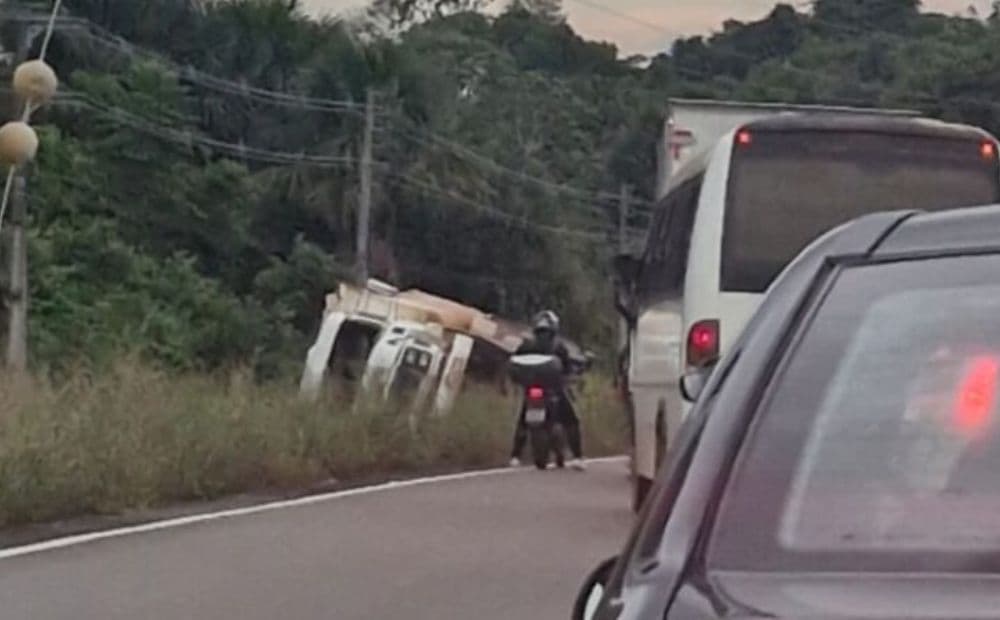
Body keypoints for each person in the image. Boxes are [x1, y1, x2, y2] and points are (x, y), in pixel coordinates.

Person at [508, 310, 586, 471]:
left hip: (532, 388)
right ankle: (577, 456)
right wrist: (571, 374)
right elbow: (567, 368)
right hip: (553, 389)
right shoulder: (558, 346)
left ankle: (515, 456)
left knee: (523, 419)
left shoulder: (527, 344)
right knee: (571, 420)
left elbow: (514, 362)